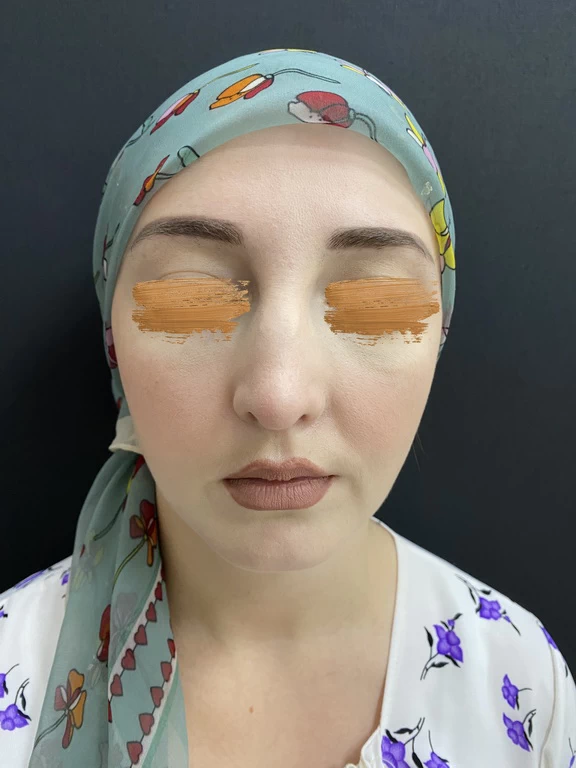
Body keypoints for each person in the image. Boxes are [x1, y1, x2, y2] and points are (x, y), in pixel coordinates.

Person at [0, 47, 573, 768]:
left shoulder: (520, 679)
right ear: (114, 343)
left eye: (373, 302)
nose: (279, 397)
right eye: (193, 296)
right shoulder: (13, 668)